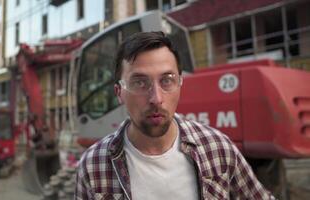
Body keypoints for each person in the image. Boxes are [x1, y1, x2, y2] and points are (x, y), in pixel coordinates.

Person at [75, 31, 275, 199]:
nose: (156, 98)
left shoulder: (218, 149)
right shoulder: (93, 165)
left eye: (167, 80)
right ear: (119, 93)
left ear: (180, 84)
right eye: (139, 82)